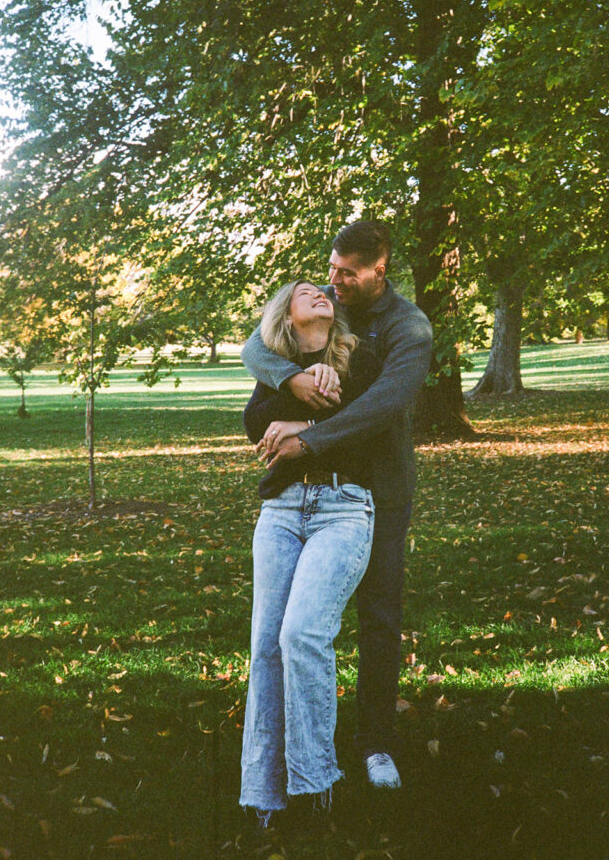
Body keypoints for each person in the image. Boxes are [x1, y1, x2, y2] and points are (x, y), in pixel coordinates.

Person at [241, 220, 432, 789]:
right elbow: (260, 342)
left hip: (381, 483)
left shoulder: (408, 327)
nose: (333, 282)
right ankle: (286, 755)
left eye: (347, 273)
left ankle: (374, 743)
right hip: (307, 490)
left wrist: (310, 436)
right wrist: (291, 380)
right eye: (330, 270)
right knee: (294, 627)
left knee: (378, 610)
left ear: (381, 268)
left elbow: (386, 404)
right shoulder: (332, 305)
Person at [240, 278, 383, 825]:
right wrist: (297, 384)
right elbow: (256, 423)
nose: (321, 293)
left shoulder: (358, 357)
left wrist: (309, 424)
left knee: (302, 633)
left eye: (324, 290)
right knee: (266, 645)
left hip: (344, 506)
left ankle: (316, 781)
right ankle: (263, 793)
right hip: (280, 512)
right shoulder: (275, 363)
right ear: (287, 314)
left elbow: (372, 426)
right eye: (305, 292)